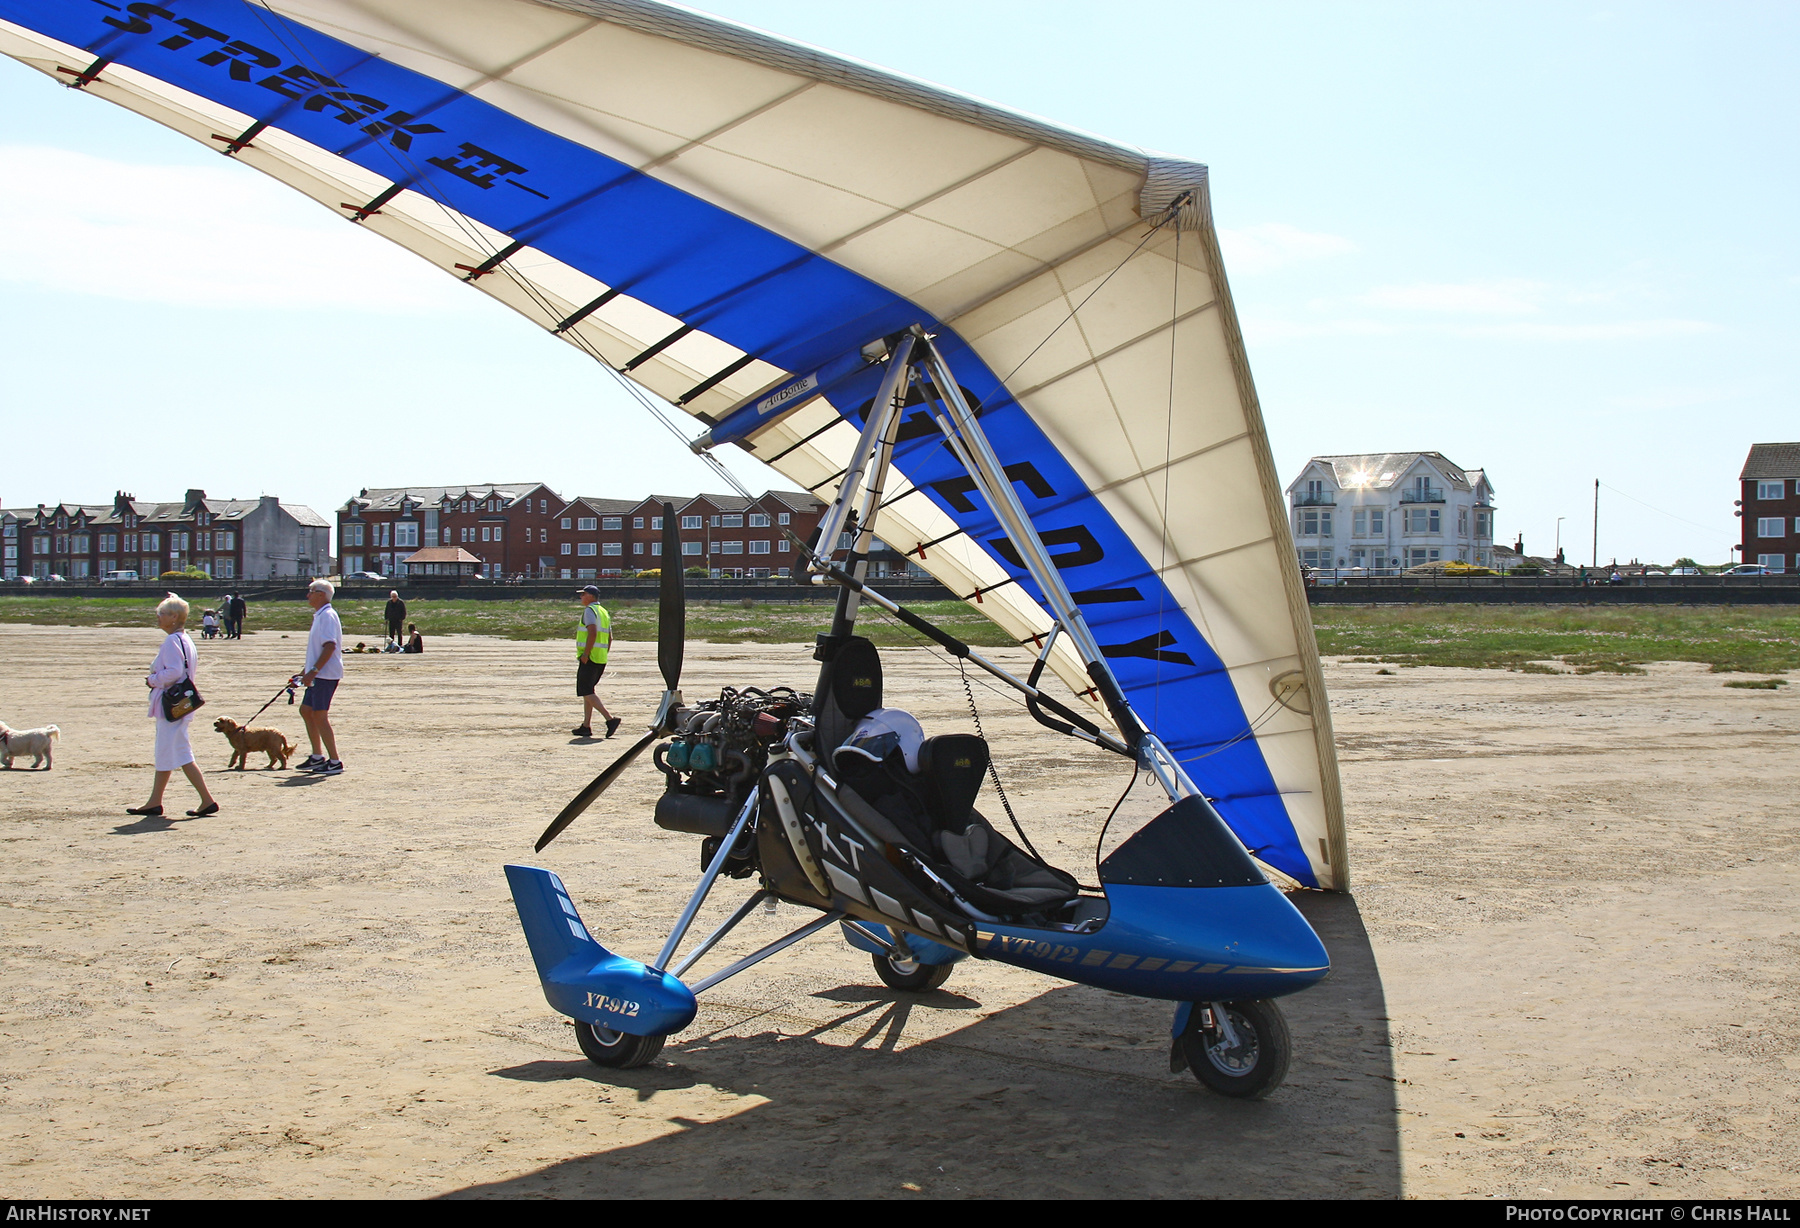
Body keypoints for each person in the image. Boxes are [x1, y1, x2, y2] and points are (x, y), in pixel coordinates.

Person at [127, 593, 219, 818]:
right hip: (183, 704)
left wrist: (152, 680)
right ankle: (158, 801)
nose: (158, 617)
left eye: (162, 614)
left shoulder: (172, 641)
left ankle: (201, 800)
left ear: (175, 617)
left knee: (173, 752)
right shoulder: (185, 639)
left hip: (173, 705)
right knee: (174, 753)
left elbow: (174, 672)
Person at [297, 578, 345, 776]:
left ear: (321, 594)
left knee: (319, 714)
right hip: (318, 672)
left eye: (311, 591)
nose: (308, 595)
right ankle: (317, 756)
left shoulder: (327, 616)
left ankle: (335, 761)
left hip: (325, 674)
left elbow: (330, 646)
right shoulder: (320, 616)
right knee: (306, 710)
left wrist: (313, 671)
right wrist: (305, 670)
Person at [572, 584, 620, 740]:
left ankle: (610, 719)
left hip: (590, 657)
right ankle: (586, 726)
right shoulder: (603, 612)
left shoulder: (590, 611)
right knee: (589, 691)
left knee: (585, 690)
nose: (581, 597)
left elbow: (592, 632)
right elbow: (610, 637)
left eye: (583, 594)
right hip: (600, 658)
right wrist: (603, 653)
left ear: (591, 596)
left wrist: (586, 653)